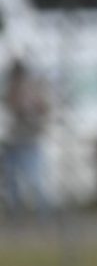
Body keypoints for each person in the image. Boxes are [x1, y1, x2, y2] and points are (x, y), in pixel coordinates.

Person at [2, 60, 52, 221]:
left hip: (30, 142)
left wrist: (30, 104)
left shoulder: (34, 89)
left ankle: (43, 216)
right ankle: (15, 215)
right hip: (14, 142)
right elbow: (11, 106)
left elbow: (44, 109)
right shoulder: (10, 90)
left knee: (34, 180)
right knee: (12, 182)